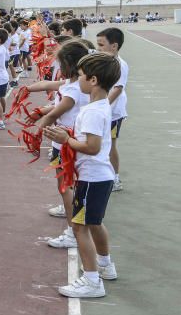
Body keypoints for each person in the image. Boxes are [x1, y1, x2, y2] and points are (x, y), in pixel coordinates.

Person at [43, 52, 120, 298]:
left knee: (79, 227)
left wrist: (66, 140)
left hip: (92, 177)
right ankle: (105, 264)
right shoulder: (98, 107)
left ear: (93, 80)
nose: (78, 81)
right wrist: (66, 136)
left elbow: (92, 147)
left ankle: (91, 280)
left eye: (80, 76)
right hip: (99, 175)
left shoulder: (93, 111)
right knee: (94, 222)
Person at [27, 40, 91, 248]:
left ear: (69, 64)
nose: (57, 67)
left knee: (66, 186)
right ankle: (70, 214)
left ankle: (74, 232)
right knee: (64, 185)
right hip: (62, 141)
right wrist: (27, 89)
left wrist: (37, 131)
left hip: (67, 143)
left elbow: (56, 112)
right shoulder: (71, 85)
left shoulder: (73, 90)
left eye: (60, 63)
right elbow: (47, 85)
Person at [96, 28, 127, 192]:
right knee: (102, 144)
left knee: (110, 145)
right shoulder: (104, 61)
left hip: (113, 112)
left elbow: (117, 89)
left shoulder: (119, 64)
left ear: (114, 46)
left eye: (101, 45)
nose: (98, 48)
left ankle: (115, 178)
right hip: (104, 110)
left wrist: (102, 106)